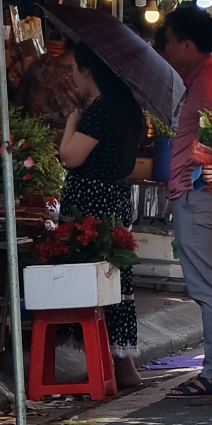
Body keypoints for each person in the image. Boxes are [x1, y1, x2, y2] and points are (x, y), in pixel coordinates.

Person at [58, 43, 147, 386]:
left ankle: (114, 367)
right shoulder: (125, 106)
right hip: (114, 199)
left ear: (88, 71)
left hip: (93, 203)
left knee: (93, 280)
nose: (72, 77)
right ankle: (118, 365)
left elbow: (70, 157)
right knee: (114, 280)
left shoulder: (99, 109)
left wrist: (72, 120)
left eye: (73, 69)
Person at [161, 6, 212, 398]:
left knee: (208, 287)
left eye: (171, 41)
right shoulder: (211, 76)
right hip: (200, 194)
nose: (167, 49)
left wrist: (198, 178)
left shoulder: (209, 81)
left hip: (198, 196)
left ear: (188, 44)